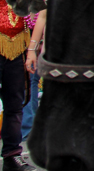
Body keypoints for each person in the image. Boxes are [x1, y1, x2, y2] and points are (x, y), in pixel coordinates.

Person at [0, 0, 35, 171]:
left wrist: (30, 51)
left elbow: (31, 20)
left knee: (15, 104)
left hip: (15, 51)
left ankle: (12, 156)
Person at [21, 10, 44, 141]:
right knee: (30, 82)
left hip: (37, 45)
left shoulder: (41, 0)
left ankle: (30, 126)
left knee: (32, 81)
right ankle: (30, 126)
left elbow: (43, 18)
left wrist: (36, 45)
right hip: (24, 43)